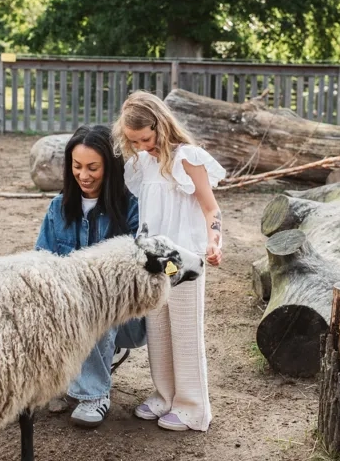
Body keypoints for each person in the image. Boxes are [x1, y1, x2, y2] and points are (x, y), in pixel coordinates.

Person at [113, 90, 225, 432]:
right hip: (154, 259)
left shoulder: (187, 158)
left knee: (184, 329)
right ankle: (165, 395)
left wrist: (214, 239)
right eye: (134, 141)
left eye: (146, 138)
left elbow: (211, 207)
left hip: (184, 259)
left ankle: (193, 406)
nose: (142, 145)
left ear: (160, 125)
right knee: (158, 327)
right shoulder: (142, 163)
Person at [35, 124, 146, 429]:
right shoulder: (58, 208)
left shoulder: (131, 207)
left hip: (120, 317)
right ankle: (48, 384)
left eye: (93, 167)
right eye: (77, 166)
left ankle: (94, 394)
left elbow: (137, 273)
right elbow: (41, 259)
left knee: (96, 307)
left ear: (109, 167)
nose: (84, 175)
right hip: (65, 308)